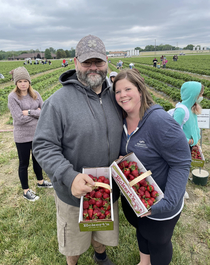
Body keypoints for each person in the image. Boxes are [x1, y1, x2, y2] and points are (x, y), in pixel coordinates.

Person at [32, 35, 123, 265]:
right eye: (87, 62)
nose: (93, 67)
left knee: (101, 229)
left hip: (106, 187)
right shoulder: (58, 102)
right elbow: (43, 145)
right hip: (74, 191)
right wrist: (68, 177)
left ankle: (100, 255)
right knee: (73, 240)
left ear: (107, 61)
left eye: (98, 62)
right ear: (75, 63)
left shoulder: (117, 97)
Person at [113, 69, 191, 265]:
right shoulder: (120, 120)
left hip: (161, 201)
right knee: (142, 229)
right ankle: (144, 262)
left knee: (159, 241)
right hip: (138, 197)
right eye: (117, 91)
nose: (122, 95)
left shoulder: (159, 121)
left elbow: (181, 163)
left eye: (128, 89)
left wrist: (167, 203)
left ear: (140, 90)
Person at [8, 67, 53, 202]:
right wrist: (36, 112)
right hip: (22, 137)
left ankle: (40, 182)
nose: (23, 84)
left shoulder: (36, 94)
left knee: (37, 159)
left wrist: (28, 112)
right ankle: (26, 190)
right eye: (20, 81)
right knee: (24, 163)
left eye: (25, 81)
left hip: (37, 134)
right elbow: (18, 119)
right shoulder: (13, 97)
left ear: (29, 82)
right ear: (16, 83)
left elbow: (45, 112)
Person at [173, 81, 204, 152]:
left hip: (189, 146)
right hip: (182, 147)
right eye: (200, 95)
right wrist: (189, 141)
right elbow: (174, 132)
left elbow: (193, 127)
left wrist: (195, 141)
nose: (201, 97)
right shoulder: (181, 111)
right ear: (193, 95)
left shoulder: (191, 108)